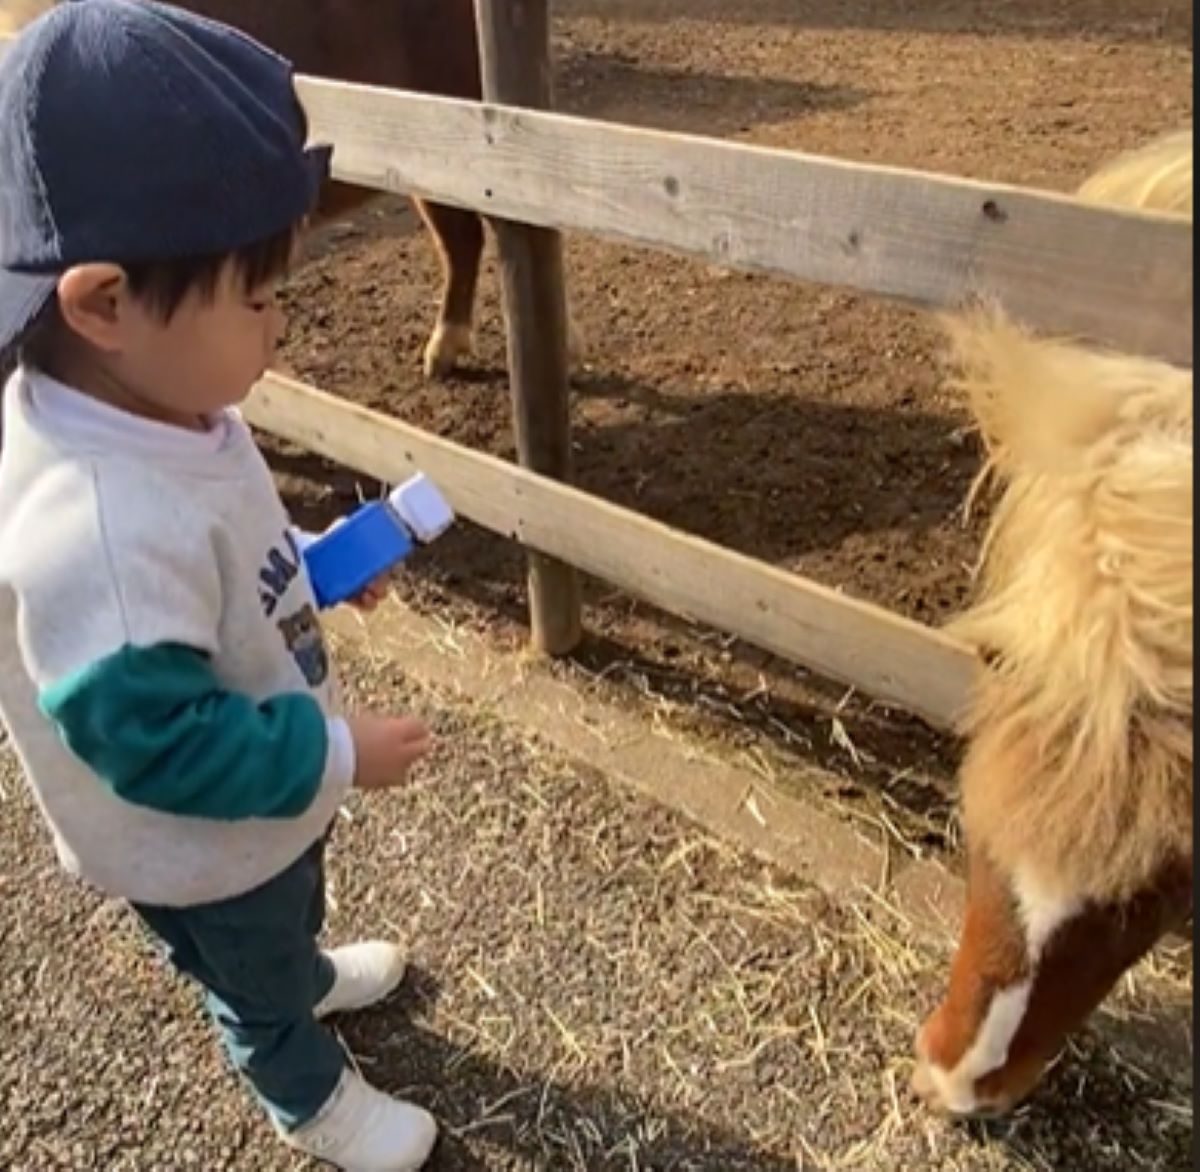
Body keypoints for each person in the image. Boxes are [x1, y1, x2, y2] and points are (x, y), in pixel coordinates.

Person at [0, 3, 439, 1169]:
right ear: (104, 303)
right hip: (190, 836)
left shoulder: (157, 404)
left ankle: (295, 969)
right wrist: (342, 754)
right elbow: (163, 749)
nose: (281, 324)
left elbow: (222, 537)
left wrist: (315, 563)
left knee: (285, 903)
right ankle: (304, 1084)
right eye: (257, 297)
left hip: (259, 802)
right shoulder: (92, 529)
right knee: (243, 957)